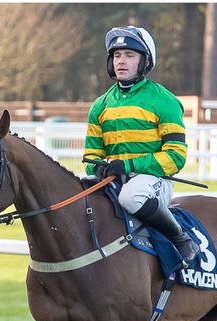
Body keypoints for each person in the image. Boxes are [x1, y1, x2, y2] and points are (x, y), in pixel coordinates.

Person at [82, 25, 199, 267]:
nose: (121, 61)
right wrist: (98, 168)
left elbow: (175, 157)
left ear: (144, 62)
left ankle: (181, 237)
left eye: (129, 55)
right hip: (112, 180)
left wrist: (129, 165)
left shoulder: (164, 100)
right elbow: (91, 154)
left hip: (152, 182)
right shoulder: (100, 105)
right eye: (116, 55)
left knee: (132, 196)